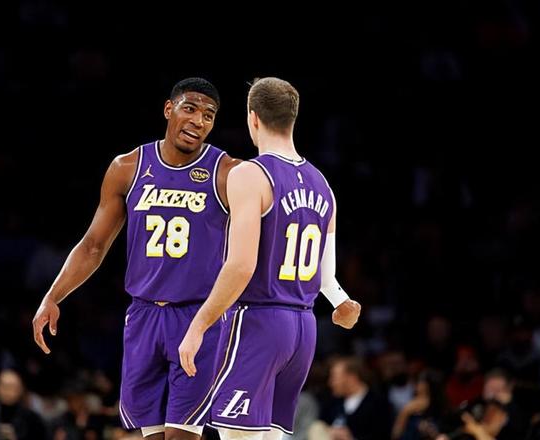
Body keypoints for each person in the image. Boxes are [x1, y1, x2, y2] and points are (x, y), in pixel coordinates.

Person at [32, 78, 239, 439]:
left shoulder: (227, 172)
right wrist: (53, 296)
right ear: (168, 109)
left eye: (209, 115)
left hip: (197, 316)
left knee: (182, 435)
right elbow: (93, 245)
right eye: (190, 108)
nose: (198, 120)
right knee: (151, 435)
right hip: (143, 316)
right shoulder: (127, 167)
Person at [178, 77, 361, 440]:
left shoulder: (250, 174)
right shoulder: (323, 184)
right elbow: (326, 277)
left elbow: (241, 265)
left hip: (259, 321)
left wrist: (198, 326)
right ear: (293, 118)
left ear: (253, 118)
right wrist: (342, 302)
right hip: (302, 330)